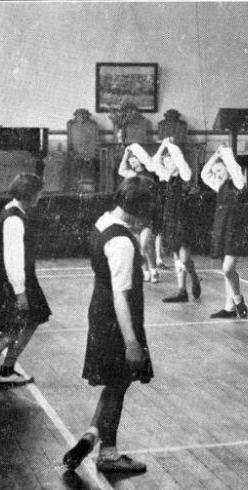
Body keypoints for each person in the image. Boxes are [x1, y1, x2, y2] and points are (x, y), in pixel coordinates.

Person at [62, 176, 155, 473]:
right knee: (120, 382)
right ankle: (109, 454)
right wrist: (131, 342)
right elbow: (121, 296)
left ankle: (93, 435)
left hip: (100, 311)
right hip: (116, 319)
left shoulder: (104, 221)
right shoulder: (122, 242)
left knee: (116, 383)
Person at [0, 173, 50, 386]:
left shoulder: (13, 210)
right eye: (38, 192)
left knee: (23, 322)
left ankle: (2, 364)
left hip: (17, 279)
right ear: (30, 194)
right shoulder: (14, 218)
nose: (40, 196)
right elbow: (13, 258)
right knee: (22, 323)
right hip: (16, 281)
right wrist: (20, 292)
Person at [202, 145, 248, 319]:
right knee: (227, 270)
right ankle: (229, 307)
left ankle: (238, 299)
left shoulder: (238, 182)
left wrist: (226, 154)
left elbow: (234, 168)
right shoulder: (218, 185)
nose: (217, 174)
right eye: (216, 171)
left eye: (220, 170)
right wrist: (215, 156)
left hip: (235, 231)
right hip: (221, 230)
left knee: (228, 268)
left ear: (228, 169)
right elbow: (204, 174)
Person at [155, 138, 201, 303]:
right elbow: (155, 162)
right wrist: (163, 146)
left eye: (169, 161)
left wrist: (171, 146)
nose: (166, 164)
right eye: (165, 162)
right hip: (170, 217)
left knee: (184, 257)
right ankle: (182, 290)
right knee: (175, 254)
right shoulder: (166, 177)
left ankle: (194, 276)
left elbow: (180, 160)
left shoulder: (184, 173)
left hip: (183, 217)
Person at [119, 144, 160, 283]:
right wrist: (126, 154)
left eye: (134, 160)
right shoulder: (131, 174)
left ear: (140, 159)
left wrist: (136, 150)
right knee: (138, 245)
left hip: (148, 212)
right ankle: (145, 270)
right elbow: (121, 170)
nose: (133, 163)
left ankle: (154, 270)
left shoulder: (150, 171)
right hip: (134, 212)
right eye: (131, 161)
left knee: (146, 244)